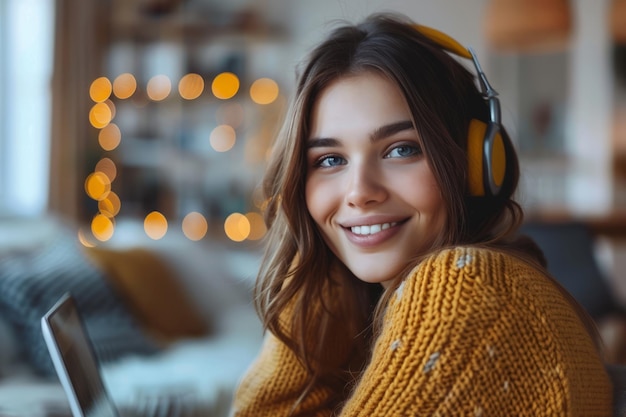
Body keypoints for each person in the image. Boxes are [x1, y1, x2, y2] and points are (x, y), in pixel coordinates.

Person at [230, 12, 613, 417]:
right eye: (328, 159)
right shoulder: (383, 296)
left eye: (401, 149)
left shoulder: (468, 287)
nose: (359, 192)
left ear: (475, 163)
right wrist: (317, 282)